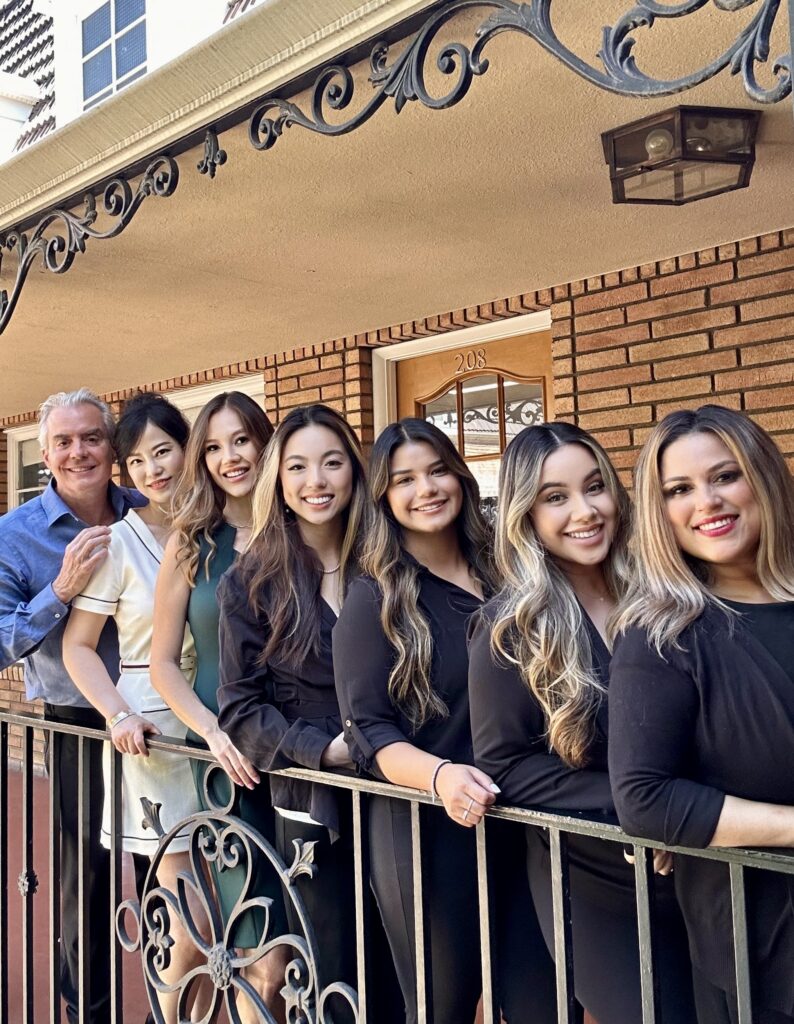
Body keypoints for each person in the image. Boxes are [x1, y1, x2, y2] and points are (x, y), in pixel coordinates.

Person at [468, 422, 695, 1022]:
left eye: (594, 487)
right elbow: (506, 766)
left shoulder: (669, 595)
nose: (585, 511)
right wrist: (640, 806)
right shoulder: (508, 628)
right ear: (526, 516)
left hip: (698, 861)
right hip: (594, 874)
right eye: (555, 497)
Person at [333, 417, 550, 1024]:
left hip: (525, 819)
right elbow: (367, 732)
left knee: (543, 1001)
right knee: (444, 1007)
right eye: (403, 479)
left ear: (459, 476)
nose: (425, 489)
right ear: (383, 498)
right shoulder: (373, 598)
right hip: (426, 827)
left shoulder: (509, 572)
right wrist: (442, 777)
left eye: (436, 471)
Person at [609, 405, 794, 1024]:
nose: (707, 502)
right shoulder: (662, 633)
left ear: (762, 476)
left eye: (726, 476)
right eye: (678, 490)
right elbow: (644, 797)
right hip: (765, 940)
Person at [215, 404, 370, 1022]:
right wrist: (321, 751)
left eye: (333, 463)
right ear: (277, 478)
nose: (317, 481)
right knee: (331, 964)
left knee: (404, 953)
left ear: (355, 472)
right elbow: (239, 709)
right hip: (310, 799)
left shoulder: (386, 564)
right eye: (299, 466)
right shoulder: (250, 582)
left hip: (401, 786)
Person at [0, 387, 146, 1024]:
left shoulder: (149, 508)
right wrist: (58, 591)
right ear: (46, 456)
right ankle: (89, 1008)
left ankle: (173, 1003)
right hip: (80, 724)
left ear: (113, 448)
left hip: (159, 720)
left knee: (164, 865)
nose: (78, 451)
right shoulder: (15, 534)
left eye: (91, 437)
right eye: (63, 441)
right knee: (85, 876)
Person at [62, 393, 206, 1023]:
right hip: (157, 736)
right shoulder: (116, 543)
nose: (153, 470)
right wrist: (119, 714)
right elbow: (78, 648)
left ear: (187, 450)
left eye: (164, 452)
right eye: (137, 460)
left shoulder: (221, 527)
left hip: (227, 723)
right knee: (185, 915)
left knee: (235, 908)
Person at [149, 391, 288, 1022]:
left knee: (303, 938)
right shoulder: (191, 542)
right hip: (224, 760)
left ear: (265, 442)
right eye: (213, 445)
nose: (230, 457)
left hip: (301, 748)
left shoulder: (303, 528)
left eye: (241, 440)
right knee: (253, 941)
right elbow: (162, 664)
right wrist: (209, 731)